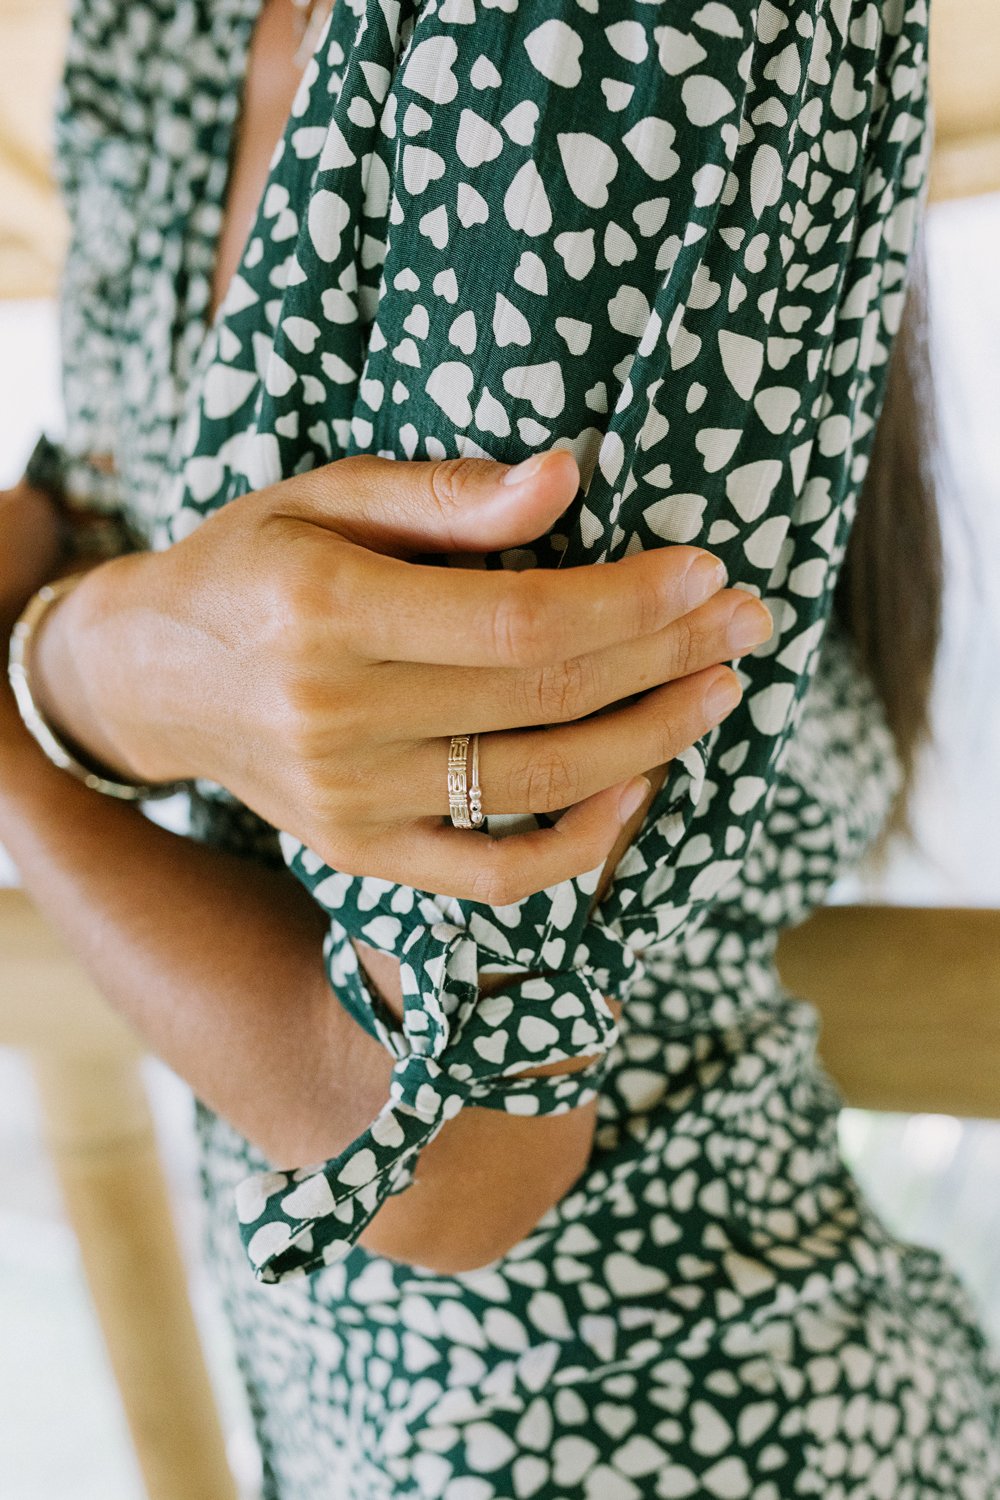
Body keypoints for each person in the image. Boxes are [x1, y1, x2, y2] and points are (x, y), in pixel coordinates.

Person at [1, 0, 998, 1495]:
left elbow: (443, 1149)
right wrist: (79, 658)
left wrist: (31, 717)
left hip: (651, 1428)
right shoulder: (165, 27)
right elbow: (101, 504)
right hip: (345, 1419)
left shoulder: (597, 34)